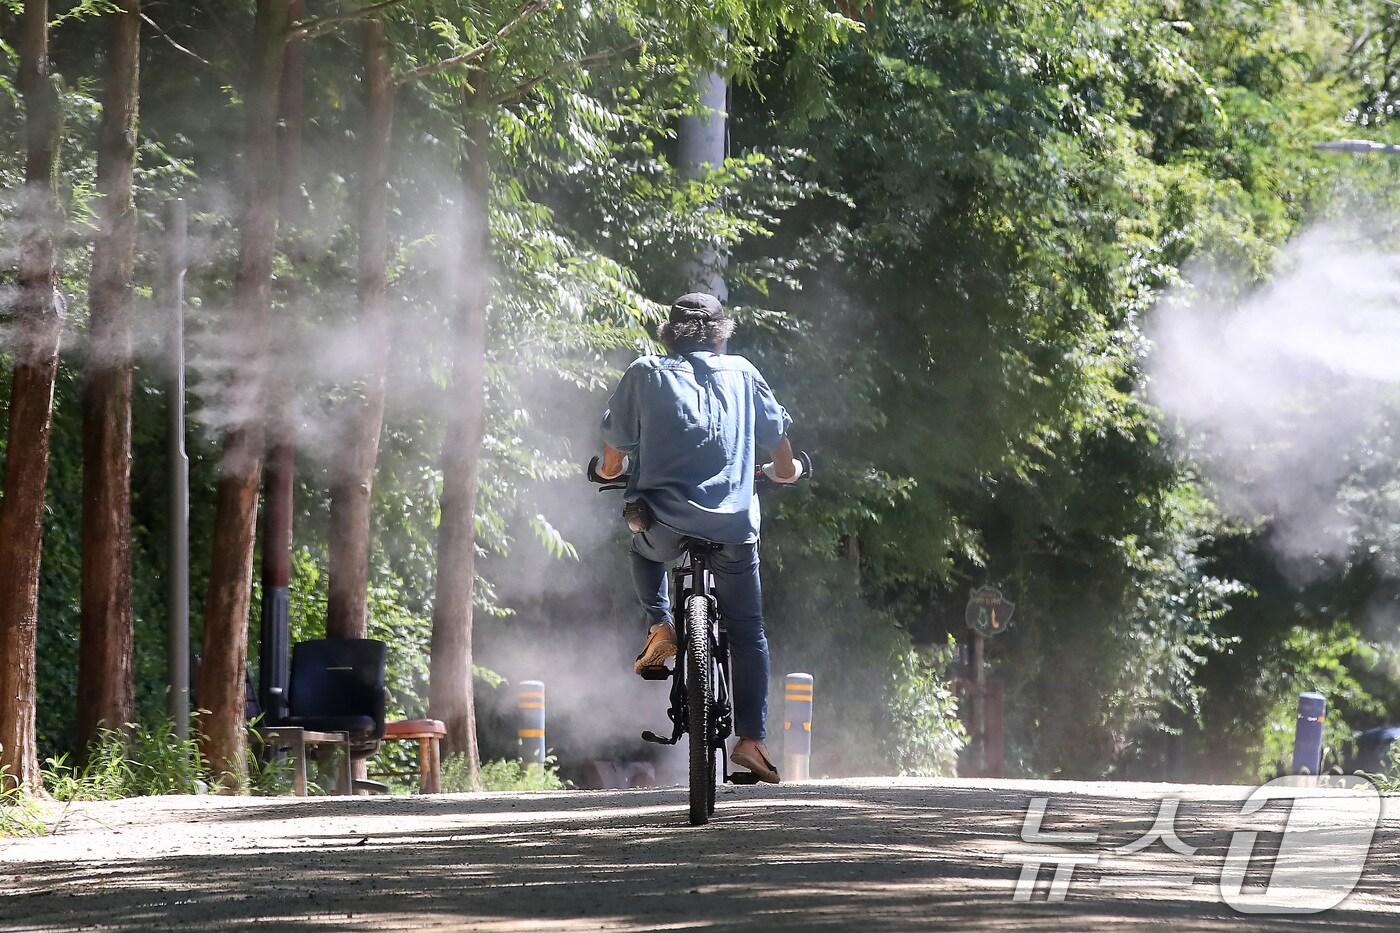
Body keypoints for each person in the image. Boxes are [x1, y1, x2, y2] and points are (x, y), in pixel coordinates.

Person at [596, 292, 802, 783]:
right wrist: (787, 472)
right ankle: (751, 740)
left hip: (662, 524)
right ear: (720, 332)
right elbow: (780, 448)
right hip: (732, 529)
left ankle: (661, 624)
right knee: (748, 630)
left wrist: (609, 470)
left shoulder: (645, 372)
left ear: (670, 332)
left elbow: (612, 452)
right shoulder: (745, 373)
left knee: (644, 552)